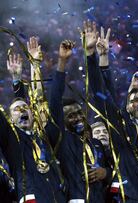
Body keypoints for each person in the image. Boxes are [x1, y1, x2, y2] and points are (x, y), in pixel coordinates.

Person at [87, 21, 138, 202]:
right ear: (129, 105)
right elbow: (102, 94)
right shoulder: (121, 128)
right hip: (127, 195)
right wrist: (96, 57)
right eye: (136, 100)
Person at [50, 38, 112, 202]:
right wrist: (62, 61)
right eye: (71, 116)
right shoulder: (63, 140)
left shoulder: (96, 144)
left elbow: (117, 171)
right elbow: (55, 100)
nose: (78, 117)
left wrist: (105, 173)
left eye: (79, 112)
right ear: (62, 121)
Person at [0, 51, 66, 202]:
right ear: (10, 120)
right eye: (16, 110)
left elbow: (50, 100)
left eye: (25, 108)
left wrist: (35, 66)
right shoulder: (12, 142)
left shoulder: (45, 137)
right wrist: (16, 80)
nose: (22, 110)